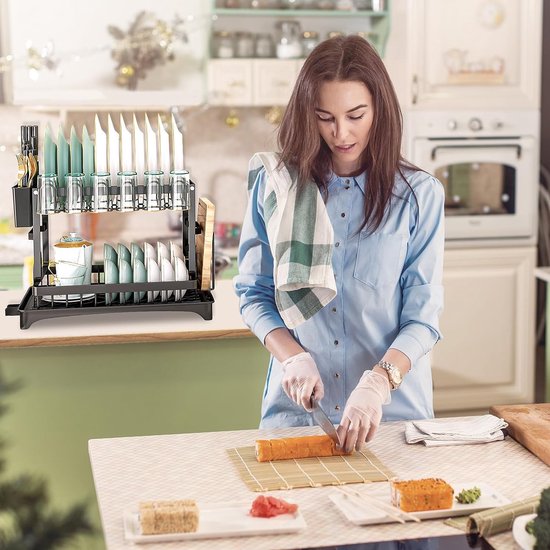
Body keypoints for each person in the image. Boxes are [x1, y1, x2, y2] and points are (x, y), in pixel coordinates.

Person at [234, 35, 444, 453]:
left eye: (356, 115)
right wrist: (291, 356)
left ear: (379, 111)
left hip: (391, 417)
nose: (341, 132)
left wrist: (380, 379)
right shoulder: (275, 186)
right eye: (324, 116)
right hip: (298, 415)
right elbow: (253, 294)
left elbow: (424, 318)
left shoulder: (419, 196)